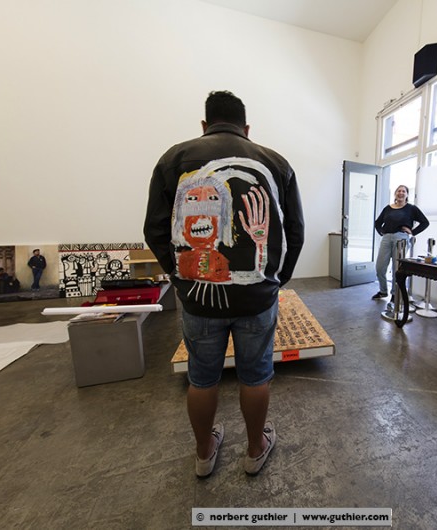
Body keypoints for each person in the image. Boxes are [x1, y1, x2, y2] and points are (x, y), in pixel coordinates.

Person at [144, 90, 304, 478]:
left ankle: (204, 455)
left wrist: (180, 277)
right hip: (258, 297)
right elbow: (296, 232)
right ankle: (255, 449)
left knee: (201, 379)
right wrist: (276, 279)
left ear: (204, 124)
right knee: (256, 375)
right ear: (246, 128)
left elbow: (154, 230)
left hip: (199, 300)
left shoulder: (173, 159)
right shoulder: (276, 162)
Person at [372, 185, 429, 300]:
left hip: (401, 238)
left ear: (407, 194)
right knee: (380, 267)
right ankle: (383, 291)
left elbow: (425, 222)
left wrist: (412, 232)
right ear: (395, 193)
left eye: (404, 191)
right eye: (399, 191)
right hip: (386, 238)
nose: (401, 193)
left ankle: (395, 293)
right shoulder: (388, 208)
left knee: (397, 268)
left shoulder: (411, 208)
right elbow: (377, 223)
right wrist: (382, 232)